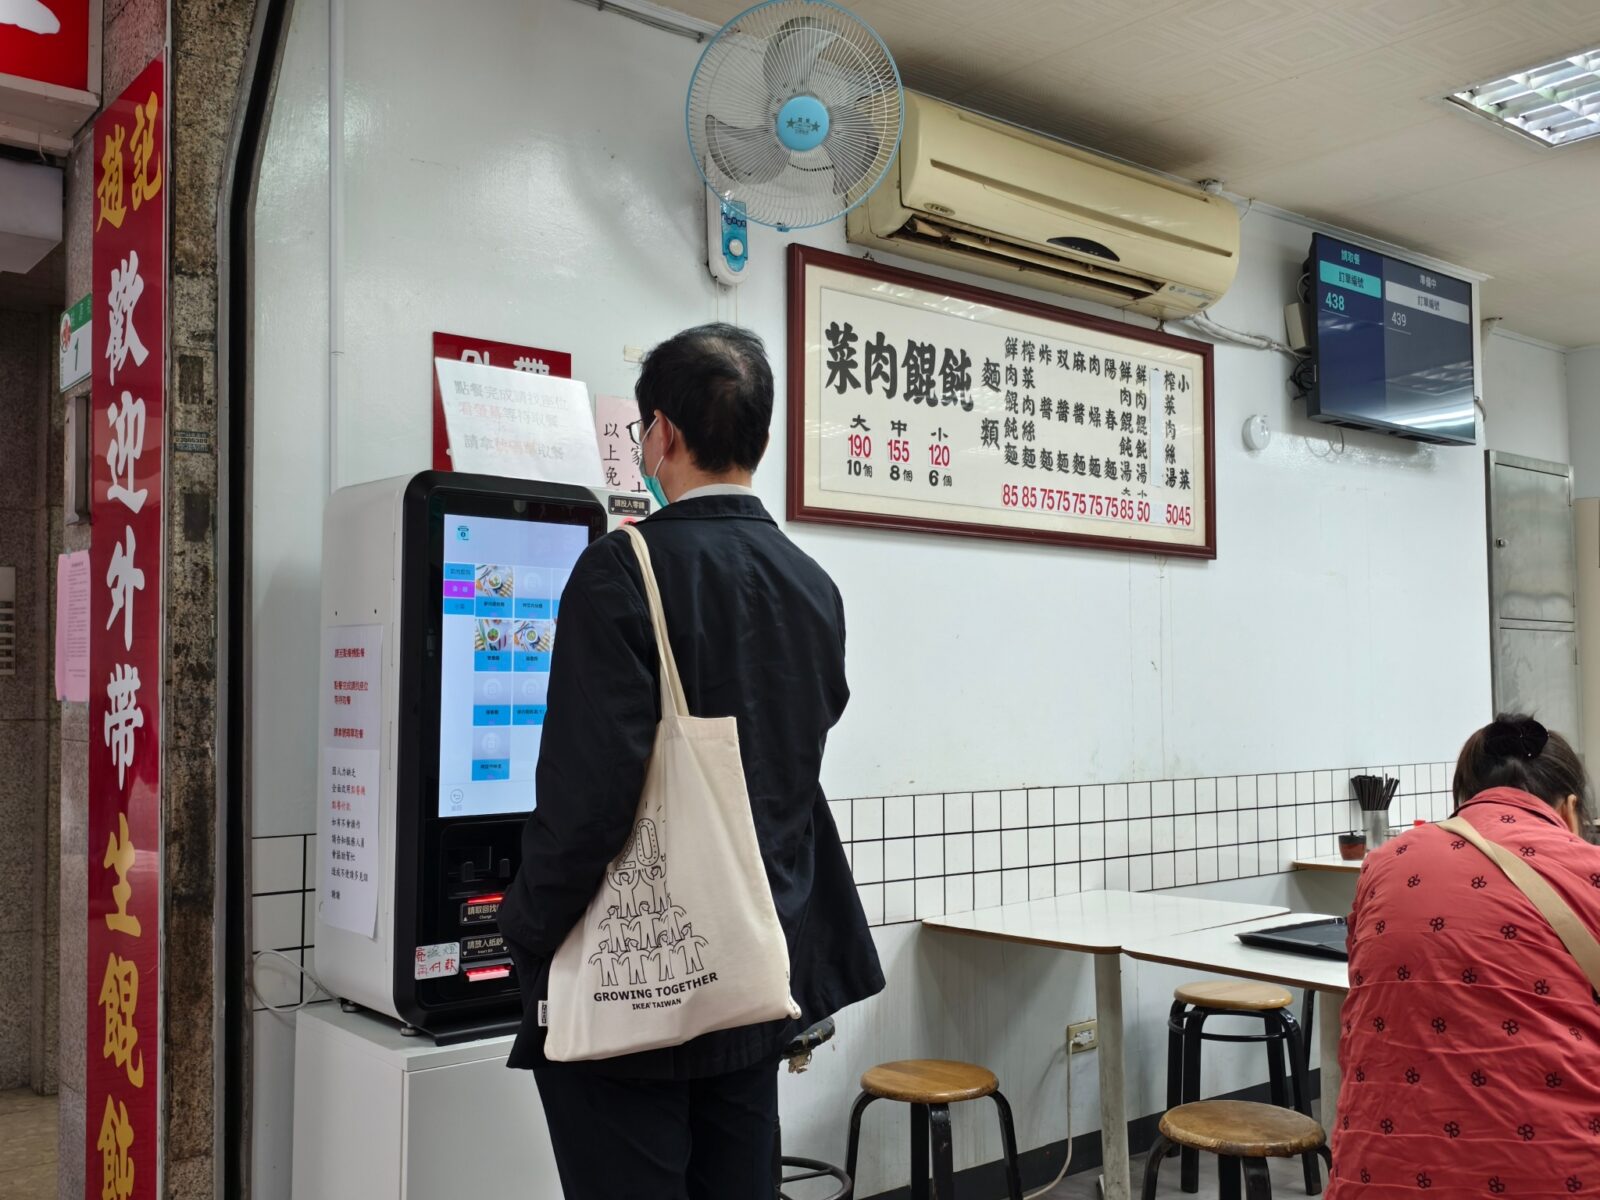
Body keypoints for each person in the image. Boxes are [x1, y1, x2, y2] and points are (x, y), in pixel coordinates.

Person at [496, 323, 884, 1199]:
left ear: (660, 435)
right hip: (752, 973)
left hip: (636, 988)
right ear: (759, 435)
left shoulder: (617, 573)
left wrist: (524, 928)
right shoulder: (812, 584)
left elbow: (587, 803)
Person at [1326, 715, 1600, 1198]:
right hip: (1558, 1174)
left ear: (1463, 799)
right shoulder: (1590, 870)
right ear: (1571, 808)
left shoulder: (1382, 863)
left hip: (1376, 1173)